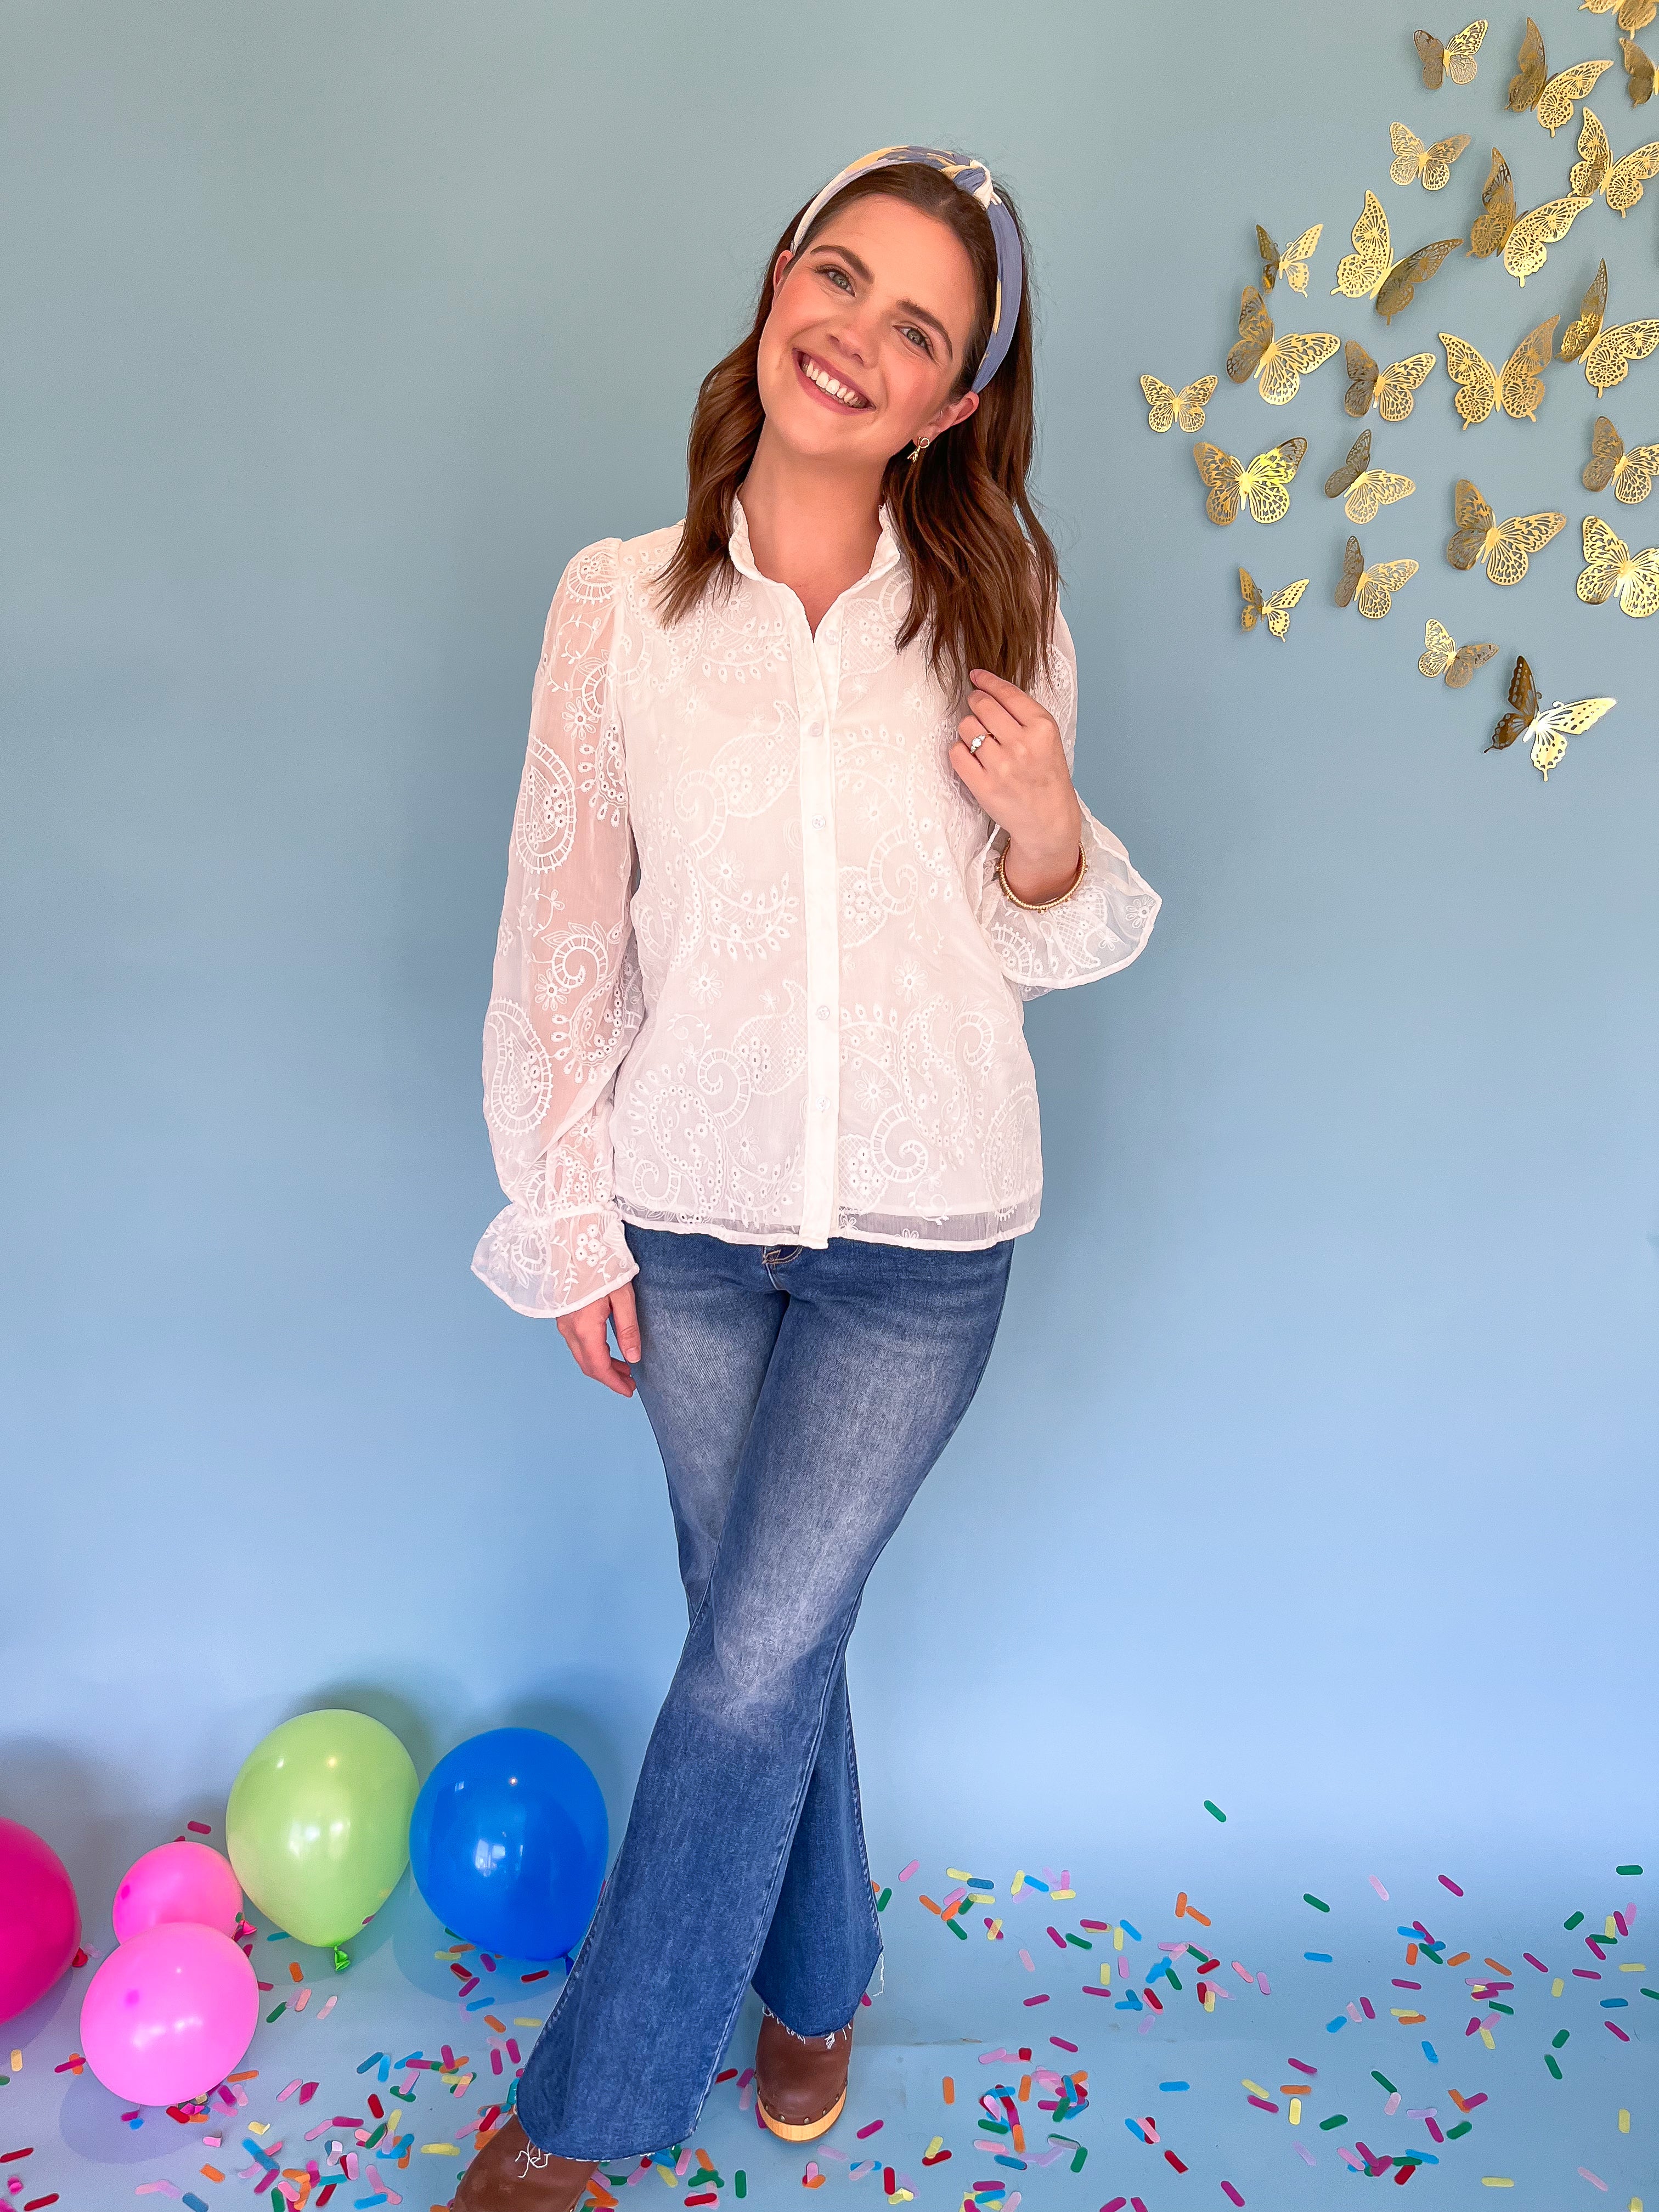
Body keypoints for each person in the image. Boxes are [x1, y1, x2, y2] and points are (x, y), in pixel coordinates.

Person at [455, 146, 1159, 2212]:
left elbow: (1052, 925)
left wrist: (1044, 817)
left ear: (952, 400)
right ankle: (819, 1970)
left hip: (922, 1243)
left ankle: (578, 2127)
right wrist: (570, 1204)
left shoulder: (1001, 598)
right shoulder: (620, 605)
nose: (855, 334)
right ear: (777, 284)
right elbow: (561, 927)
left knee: (755, 1656)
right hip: (684, 1210)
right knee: (756, 1633)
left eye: (917, 325)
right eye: (838, 279)